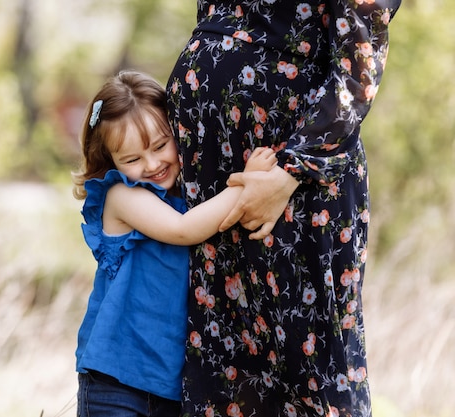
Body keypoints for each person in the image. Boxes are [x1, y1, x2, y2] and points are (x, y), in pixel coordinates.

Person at [166, 1, 401, 417]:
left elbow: (360, 59)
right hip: (210, 165)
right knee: (222, 372)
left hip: (295, 173)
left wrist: (291, 171)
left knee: (308, 368)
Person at [71, 70, 276, 417]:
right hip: (114, 382)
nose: (152, 164)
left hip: (171, 387)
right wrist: (249, 184)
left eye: (160, 145)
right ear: (111, 161)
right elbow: (183, 230)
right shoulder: (121, 196)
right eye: (132, 159)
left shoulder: (191, 197)